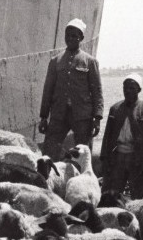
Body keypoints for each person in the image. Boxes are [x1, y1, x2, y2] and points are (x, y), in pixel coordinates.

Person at [38, 18, 103, 160]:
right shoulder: (55, 61)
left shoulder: (90, 62)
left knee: (83, 153)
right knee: (49, 150)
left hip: (82, 116)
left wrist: (97, 118)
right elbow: (48, 90)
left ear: (81, 38)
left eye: (74, 36)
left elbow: (97, 92)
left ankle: (82, 180)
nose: (70, 38)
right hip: (59, 114)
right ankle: (48, 179)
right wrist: (43, 116)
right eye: (68, 35)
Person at [99, 73, 143, 199]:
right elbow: (107, 136)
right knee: (111, 195)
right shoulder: (115, 108)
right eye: (125, 88)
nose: (127, 91)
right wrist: (104, 157)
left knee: (140, 196)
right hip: (117, 157)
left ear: (139, 90)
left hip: (136, 158)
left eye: (131, 88)